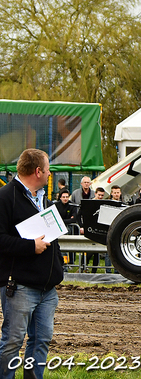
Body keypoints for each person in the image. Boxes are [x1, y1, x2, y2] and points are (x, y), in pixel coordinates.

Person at [0, 148, 64, 379]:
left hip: (48, 289)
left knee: (41, 340)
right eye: (47, 170)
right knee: (12, 342)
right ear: (37, 171)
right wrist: (30, 247)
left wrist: (57, 266)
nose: (49, 174)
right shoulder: (5, 197)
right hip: (20, 287)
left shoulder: (43, 198)